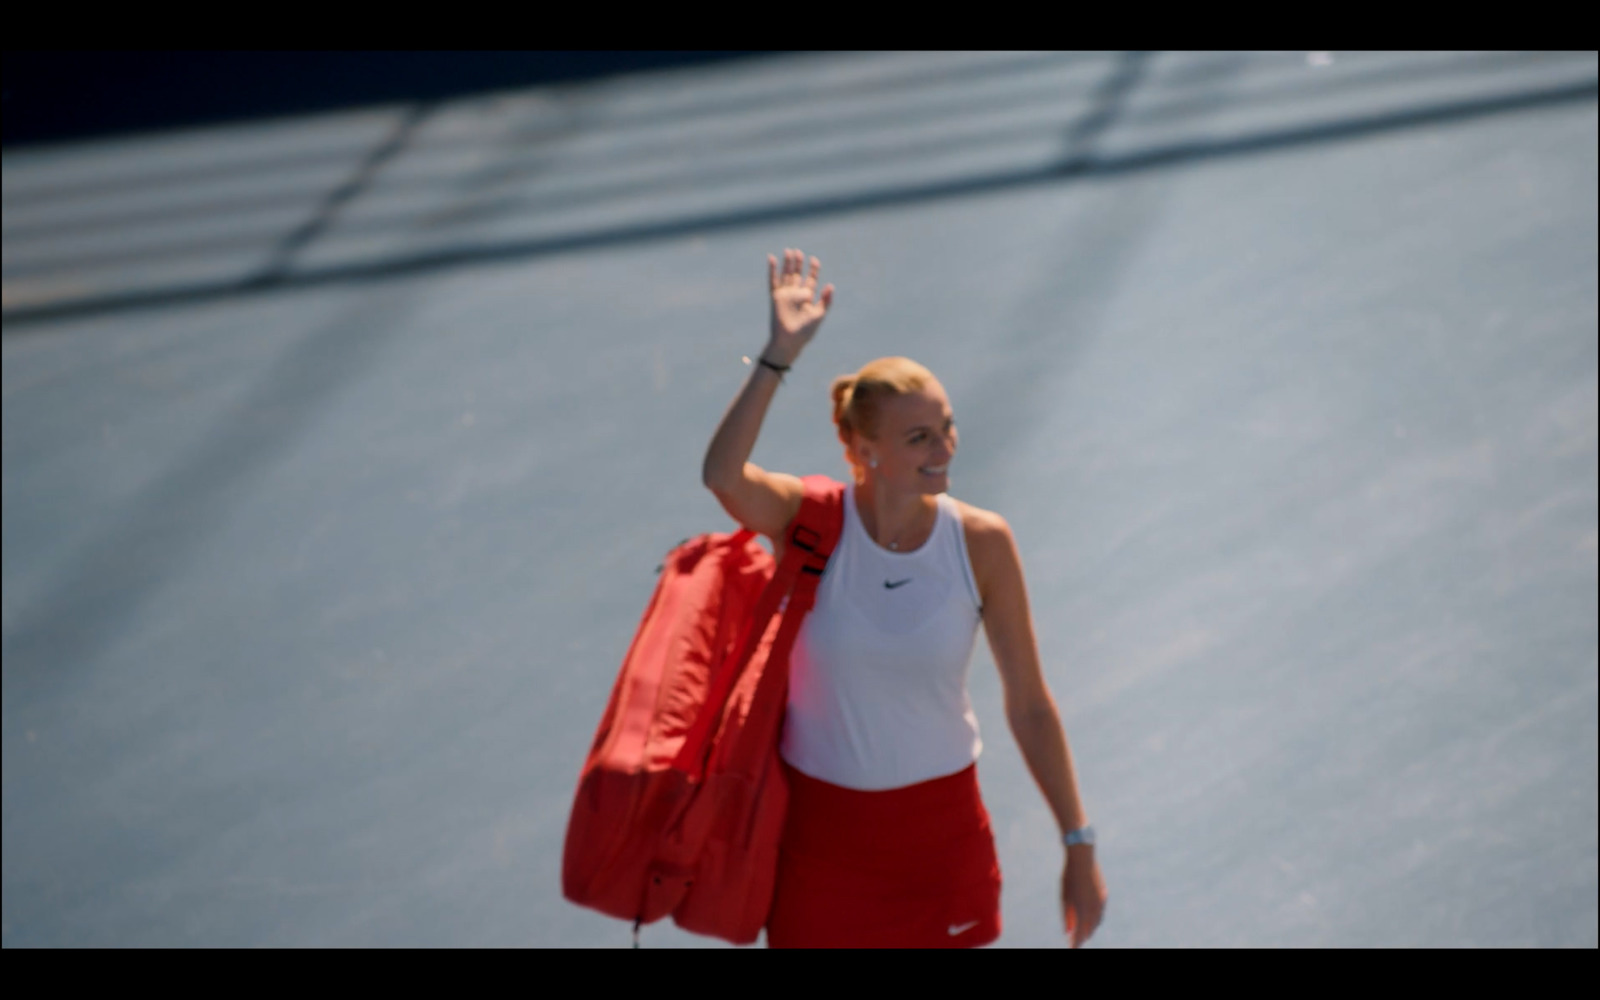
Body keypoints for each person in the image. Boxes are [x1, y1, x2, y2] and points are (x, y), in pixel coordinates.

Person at [701, 248, 1107, 948]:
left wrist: (1078, 842)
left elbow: (1030, 703)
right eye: (919, 435)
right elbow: (723, 474)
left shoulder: (981, 542)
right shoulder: (808, 520)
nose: (944, 446)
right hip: (822, 852)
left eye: (946, 426)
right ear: (863, 448)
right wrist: (777, 356)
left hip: (943, 842)